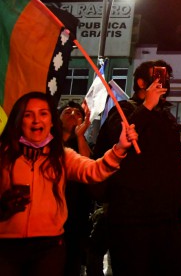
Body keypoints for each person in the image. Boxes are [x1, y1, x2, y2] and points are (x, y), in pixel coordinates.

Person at [0, 91, 137, 276]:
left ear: (50, 121)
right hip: (6, 248)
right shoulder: (4, 155)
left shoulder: (61, 155)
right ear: (18, 119)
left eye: (43, 113)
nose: (36, 120)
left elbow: (94, 171)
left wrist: (120, 148)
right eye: (28, 114)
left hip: (48, 248)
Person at [91, 60, 181, 276]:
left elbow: (174, 162)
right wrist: (147, 105)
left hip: (165, 215)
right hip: (131, 216)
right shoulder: (123, 111)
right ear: (141, 82)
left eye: (166, 77)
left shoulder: (165, 117)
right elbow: (119, 143)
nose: (163, 81)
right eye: (157, 76)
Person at [58, 101, 94, 276]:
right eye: (67, 112)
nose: (73, 114)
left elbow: (89, 167)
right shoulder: (47, 143)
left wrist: (80, 137)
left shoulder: (82, 145)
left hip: (76, 216)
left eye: (78, 113)